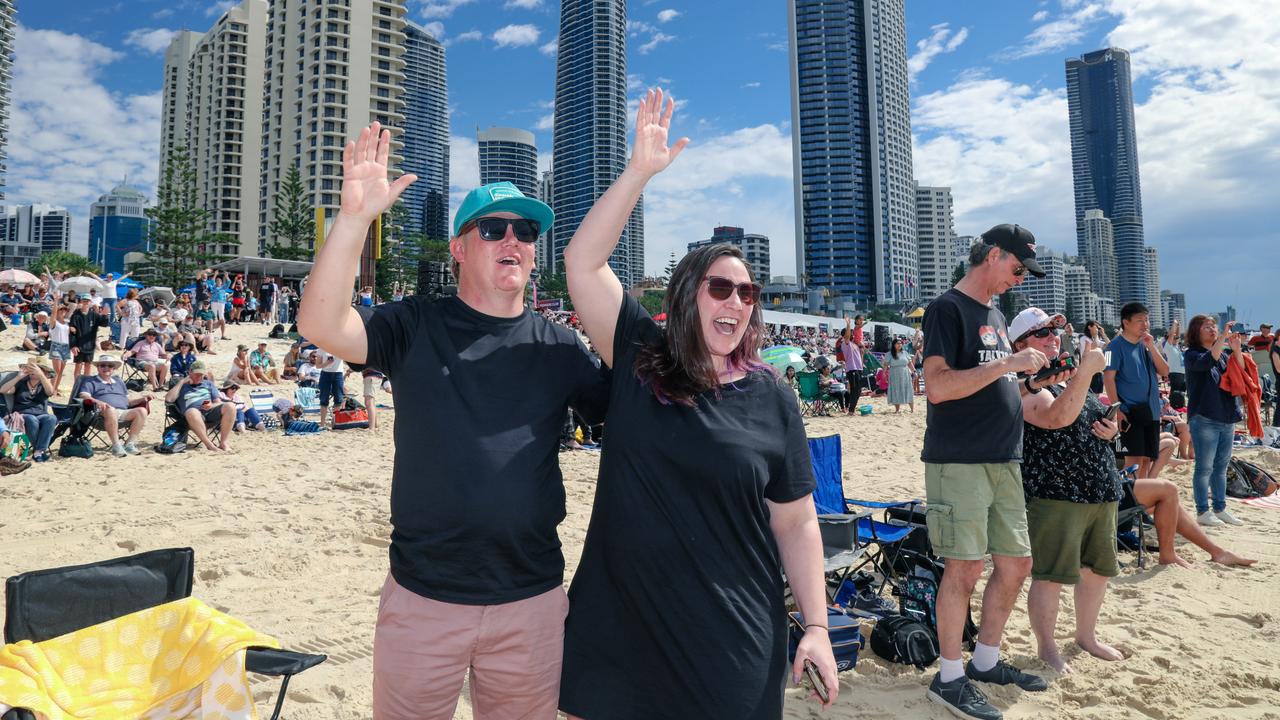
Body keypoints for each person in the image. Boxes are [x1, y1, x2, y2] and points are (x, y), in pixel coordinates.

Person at [297, 121, 610, 720]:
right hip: (423, 598)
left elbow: (632, 417)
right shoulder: (415, 325)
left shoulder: (560, 347)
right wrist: (356, 218)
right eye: (494, 228)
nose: (512, 239)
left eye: (526, 231)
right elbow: (320, 324)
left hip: (532, 599)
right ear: (460, 248)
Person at [558, 89, 836, 720]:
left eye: (748, 292)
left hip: (731, 638)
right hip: (617, 629)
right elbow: (582, 262)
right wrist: (639, 173)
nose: (737, 303)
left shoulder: (773, 397)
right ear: (688, 295)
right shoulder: (638, 354)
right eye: (721, 287)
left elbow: (796, 523)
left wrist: (816, 628)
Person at [921, 223, 1068, 720]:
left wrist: (1033, 373)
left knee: (1016, 563)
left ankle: (984, 661)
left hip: (1004, 458)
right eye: (1018, 267)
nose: (1020, 279)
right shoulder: (947, 308)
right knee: (964, 567)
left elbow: (993, 377)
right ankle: (950, 676)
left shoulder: (995, 313)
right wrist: (1007, 363)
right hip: (960, 458)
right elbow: (938, 387)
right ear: (994, 255)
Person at [1009, 307, 1124, 675]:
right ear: (1020, 345)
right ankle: (1047, 648)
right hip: (1057, 492)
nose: (1052, 338)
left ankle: (1086, 636)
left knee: (1096, 570)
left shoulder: (1063, 376)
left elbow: (1084, 414)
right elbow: (1056, 417)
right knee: (1052, 574)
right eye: (1042, 334)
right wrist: (1088, 372)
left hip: (1098, 487)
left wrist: (1112, 429)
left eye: (1055, 332)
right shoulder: (1021, 386)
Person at [1183, 315, 1246, 527]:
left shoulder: (1222, 355)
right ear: (1196, 331)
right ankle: (1202, 511)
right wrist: (1222, 340)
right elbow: (1207, 361)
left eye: (1213, 326)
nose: (1212, 329)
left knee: (1221, 466)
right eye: (1207, 327)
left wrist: (1236, 349)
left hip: (1226, 416)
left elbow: (1241, 371)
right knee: (1204, 467)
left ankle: (1220, 508)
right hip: (1205, 418)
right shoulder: (1192, 354)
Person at [1104, 303, 1169, 480]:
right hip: (1129, 411)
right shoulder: (1112, 347)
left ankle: (1140, 499)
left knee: (1147, 459)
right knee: (1133, 460)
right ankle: (1128, 500)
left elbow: (1164, 371)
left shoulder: (1146, 344)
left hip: (1152, 411)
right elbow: (1108, 378)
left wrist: (1152, 346)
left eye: (1146, 320)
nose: (1145, 324)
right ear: (1126, 322)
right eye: (1140, 320)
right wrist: (1117, 410)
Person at [78, 355, 149, 457]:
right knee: (110, 409)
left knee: (142, 410)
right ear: (98, 367)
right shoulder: (90, 381)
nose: (106, 368)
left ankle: (130, 444)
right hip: (100, 414)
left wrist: (142, 398)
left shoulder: (119, 381)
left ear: (113, 368)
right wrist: (98, 402)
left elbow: (128, 401)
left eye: (110, 366)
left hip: (122, 412)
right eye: (103, 365)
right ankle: (116, 445)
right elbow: (84, 395)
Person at [165, 360, 234, 452]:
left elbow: (219, 402)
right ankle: (209, 445)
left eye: (201, 374)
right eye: (197, 374)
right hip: (190, 417)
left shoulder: (208, 384)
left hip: (209, 413)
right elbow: (169, 399)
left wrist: (211, 405)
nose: (199, 377)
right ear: (190, 372)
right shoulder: (181, 386)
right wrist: (181, 382)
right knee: (192, 411)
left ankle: (223, 443)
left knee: (230, 406)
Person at [1, 357, 58, 462]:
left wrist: (41, 375)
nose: (32, 371)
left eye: (36, 368)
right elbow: (3, 390)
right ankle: (39, 451)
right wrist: (18, 377)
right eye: (30, 368)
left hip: (41, 414)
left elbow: (50, 392)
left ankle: (38, 451)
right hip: (22, 414)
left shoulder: (44, 384)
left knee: (52, 418)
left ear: (44, 372)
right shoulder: (21, 383)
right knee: (31, 419)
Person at [69, 295, 110, 380]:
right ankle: (77, 385)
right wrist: (73, 346)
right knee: (78, 366)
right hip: (79, 345)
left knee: (88, 365)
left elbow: (104, 324)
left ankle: (86, 385)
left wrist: (105, 315)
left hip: (90, 345)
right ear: (81, 302)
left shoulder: (94, 315)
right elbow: (72, 332)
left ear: (90, 302)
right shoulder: (76, 315)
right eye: (84, 301)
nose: (86, 302)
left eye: (88, 301)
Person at [839, 318, 865, 412]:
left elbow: (859, 357)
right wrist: (848, 324)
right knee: (855, 390)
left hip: (858, 369)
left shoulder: (854, 344)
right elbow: (847, 335)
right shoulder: (845, 343)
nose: (851, 334)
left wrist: (862, 353)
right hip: (852, 369)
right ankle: (851, 410)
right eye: (849, 333)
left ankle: (851, 408)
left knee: (858, 390)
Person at [316, 350, 345, 426]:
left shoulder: (339, 347)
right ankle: (322, 423)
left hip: (338, 374)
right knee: (324, 399)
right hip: (325, 374)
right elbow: (317, 365)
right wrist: (326, 363)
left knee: (338, 399)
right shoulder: (321, 348)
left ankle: (335, 422)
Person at [1079, 320, 1109, 394]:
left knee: (1098, 394)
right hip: (1089, 371)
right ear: (1089, 327)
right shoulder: (1084, 338)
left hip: (1098, 371)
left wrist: (1103, 334)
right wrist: (1096, 336)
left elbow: (1109, 345)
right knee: (1090, 394)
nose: (1097, 329)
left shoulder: (1095, 339)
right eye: (1096, 326)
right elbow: (1093, 346)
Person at [47, 305, 72, 395]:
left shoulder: (66, 324)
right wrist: (56, 301)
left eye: (64, 310)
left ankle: (55, 388)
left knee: (61, 371)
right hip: (56, 345)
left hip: (65, 346)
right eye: (60, 310)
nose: (63, 311)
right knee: (56, 370)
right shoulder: (54, 322)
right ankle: (51, 389)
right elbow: (53, 314)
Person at [886, 337, 915, 412]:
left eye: (900, 343)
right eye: (897, 343)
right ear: (894, 345)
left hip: (905, 373)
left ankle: (912, 409)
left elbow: (909, 363)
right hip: (894, 374)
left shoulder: (905, 353)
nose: (899, 345)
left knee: (908, 389)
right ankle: (897, 410)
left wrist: (914, 371)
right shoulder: (889, 354)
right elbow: (885, 365)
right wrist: (883, 373)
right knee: (896, 390)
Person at [1159, 318, 1186, 392]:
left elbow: (1177, 335)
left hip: (1181, 373)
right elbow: (1171, 335)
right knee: (1176, 394)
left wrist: (1178, 326)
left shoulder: (1176, 347)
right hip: (1175, 373)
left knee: (1181, 395)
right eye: (1175, 338)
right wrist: (1174, 324)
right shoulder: (1168, 347)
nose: (1177, 339)